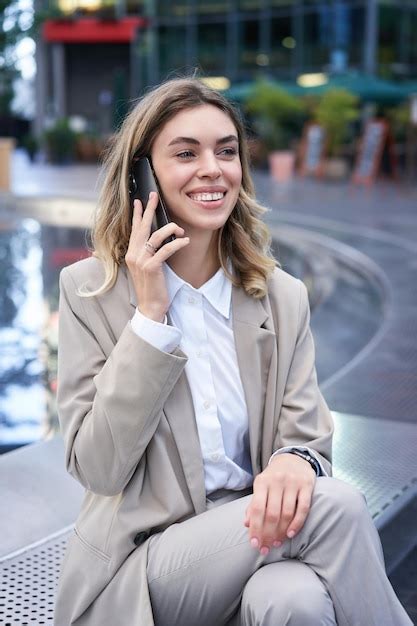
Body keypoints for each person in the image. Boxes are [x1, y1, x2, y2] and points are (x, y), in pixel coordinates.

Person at [54, 77, 411, 626]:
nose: (212, 169)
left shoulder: (282, 297)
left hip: (261, 536)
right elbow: (98, 467)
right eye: (185, 153)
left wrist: (295, 460)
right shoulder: (89, 294)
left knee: (294, 603)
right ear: (142, 174)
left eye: (226, 151)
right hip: (146, 569)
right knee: (336, 505)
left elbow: (307, 436)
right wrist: (149, 320)